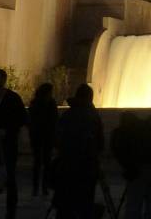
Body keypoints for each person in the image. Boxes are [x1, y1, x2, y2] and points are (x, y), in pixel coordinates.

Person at [52, 84, 105, 219]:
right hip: (86, 167)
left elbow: (57, 138)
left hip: (66, 166)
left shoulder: (67, 115)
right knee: (85, 202)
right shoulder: (92, 117)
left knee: (66, 202)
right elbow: (99, 142)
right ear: (90, 98)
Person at [0, 68, 28, 219]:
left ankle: (11, 210)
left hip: (8, 144)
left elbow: (22, 118)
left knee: (9, 177)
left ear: (3, 79)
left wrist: (8, 130)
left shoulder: (13, 98)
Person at [28, 82, 59, 197]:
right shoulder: (50, 103)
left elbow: (31, 121)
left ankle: (37, 188)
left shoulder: (35, 103)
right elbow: (54, 120)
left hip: (39, 136)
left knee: (39, 163)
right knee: (45, 163)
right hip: (45, 136)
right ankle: (43, 187)